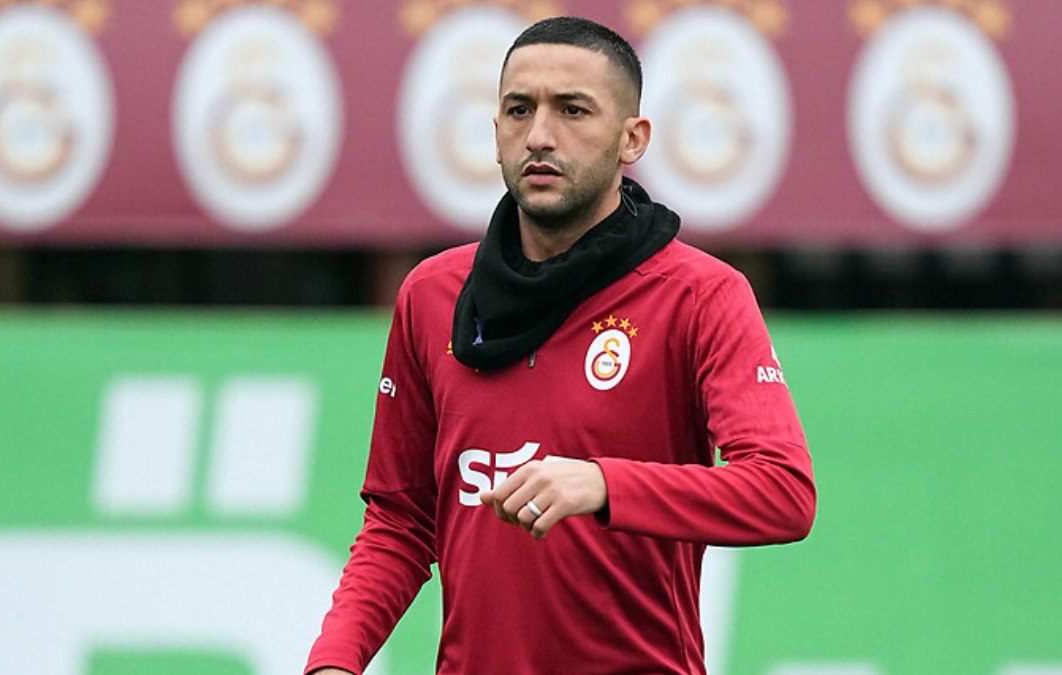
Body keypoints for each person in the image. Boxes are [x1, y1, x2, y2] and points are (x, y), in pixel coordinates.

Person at [306, 15, 815, 675]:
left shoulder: (701, 295)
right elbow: (400, 523)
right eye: (520, 110)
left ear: (633, 139)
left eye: (573, 110)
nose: (540, 135)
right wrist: (335, 661)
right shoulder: (430, 296)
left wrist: (603, 483)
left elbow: (782, 492)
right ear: (496, 130)